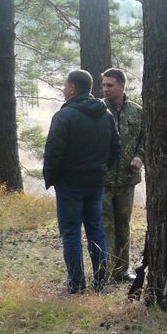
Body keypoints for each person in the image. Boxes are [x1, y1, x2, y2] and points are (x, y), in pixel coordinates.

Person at [43, 69, 120, 293]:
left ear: (73, 88)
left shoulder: (64, 116)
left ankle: (76, 284)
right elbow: (116, 148)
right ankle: (101, 282)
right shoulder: (106, 115)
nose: (63, 89)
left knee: (71, 234)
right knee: (96, 230)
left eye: (65, 85)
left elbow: (53, 152)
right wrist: (102, 171)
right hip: (95, 183)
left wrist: (52, 178)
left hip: (70, 184)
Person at [100, 68, 145, 282]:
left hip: (127, 179)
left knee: (123, 226)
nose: (105, 89)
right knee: (104, 226)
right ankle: (105, 271)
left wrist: (140, 156)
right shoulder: (98, 110)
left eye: (110, 85)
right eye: (104, 85)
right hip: (103, 180)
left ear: (122, 86)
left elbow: (145, 138)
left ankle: (122, 270)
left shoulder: (137, 112)